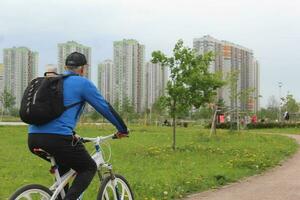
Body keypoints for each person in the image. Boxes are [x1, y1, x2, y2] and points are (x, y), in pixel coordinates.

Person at [28, 52, 128, 200]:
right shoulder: (82, 83)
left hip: (33, 138)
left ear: (66, 67)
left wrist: (72, 133)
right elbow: (104, 107)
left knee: (65, 168)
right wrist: (122, 129)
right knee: (88, 167)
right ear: (83, 69)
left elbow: (55, 113)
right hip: (58, 139)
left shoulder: (53, 82)